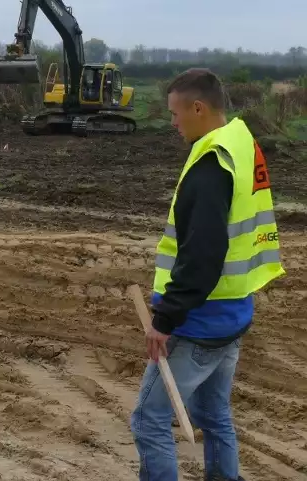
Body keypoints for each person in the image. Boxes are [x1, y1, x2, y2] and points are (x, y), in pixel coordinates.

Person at [130, 68, 285, 481]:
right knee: (213, 414)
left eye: (175, 113)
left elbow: (202, 256)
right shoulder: (240, 142)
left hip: (198, 322)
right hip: (233, 313)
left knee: (149, 419)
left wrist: (165, 320)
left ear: (198, 107)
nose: (173, 122)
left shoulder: (210, 165)